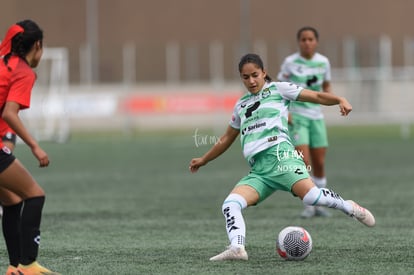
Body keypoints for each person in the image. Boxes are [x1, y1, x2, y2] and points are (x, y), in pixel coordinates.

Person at [189, 53, 375, 261]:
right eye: (245, 77)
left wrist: (340, 99)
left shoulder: (279, 89)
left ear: (264, 73)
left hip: (282, 157)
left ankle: (350, 207)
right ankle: (237, 248)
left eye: (255, 75)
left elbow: (316, 96)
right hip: (260, 171)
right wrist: (204, 159)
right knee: (230, 204)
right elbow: (226, 138)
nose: (251, 81)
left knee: (312, 197)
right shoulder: (240, 105)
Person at [0, 20, 60, 275]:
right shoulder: (23, 71)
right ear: (37, 45)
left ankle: (15, 267)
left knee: (11, 199)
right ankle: (28, 264)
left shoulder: (3, 60)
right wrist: (36, 146)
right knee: (35, 195)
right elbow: (10, 113)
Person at [278, 26, 333, 218]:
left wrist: (331, 98)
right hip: (297, 117)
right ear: (298, 42)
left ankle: (320, 204)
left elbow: (326, 86)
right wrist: (286, 112)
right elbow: (280, 89)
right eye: (303, 39)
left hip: (316, 117)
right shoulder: (290, 62)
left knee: (319, 162)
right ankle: (309, 204)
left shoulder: (323, 62)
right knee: (304, 161)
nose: (307, 42)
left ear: (316, 42)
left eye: (310, 39)